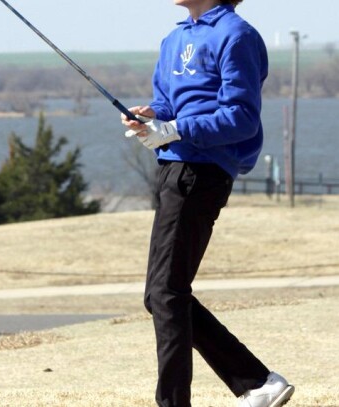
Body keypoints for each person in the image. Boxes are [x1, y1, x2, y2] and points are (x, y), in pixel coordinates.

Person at [121, 1, 295, 406]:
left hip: (202, 171)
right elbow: (168, 105)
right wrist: (150, 118)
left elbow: (241, 117)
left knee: (166, 293)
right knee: (161, 294)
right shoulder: (174, 38)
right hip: (173, 167)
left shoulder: (237, 34)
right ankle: (256, 381)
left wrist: (176, 129)